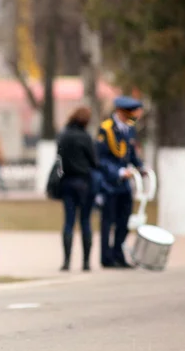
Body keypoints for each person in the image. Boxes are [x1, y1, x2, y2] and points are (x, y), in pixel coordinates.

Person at [96, 96, 146, 269]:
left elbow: (130, 153)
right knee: (107, 221)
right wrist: (117, 172)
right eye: (129, 113)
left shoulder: (129, 129)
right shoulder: (106, 129)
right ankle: (106, 257)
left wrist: (140, 167)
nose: (132, 116)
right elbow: (100, 159)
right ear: (120, 112)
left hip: (125, 184)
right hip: (109, 183)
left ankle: (119, 254)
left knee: (124, 221)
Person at [57, 106, 98, 272]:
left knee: (68, 222)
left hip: (67, 182)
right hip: (84, 184)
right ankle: (86, 262)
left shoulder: (64, 136)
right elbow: (94, 162)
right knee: (85, 221)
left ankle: (66, 262)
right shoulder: (86, 138)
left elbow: (58, 158)